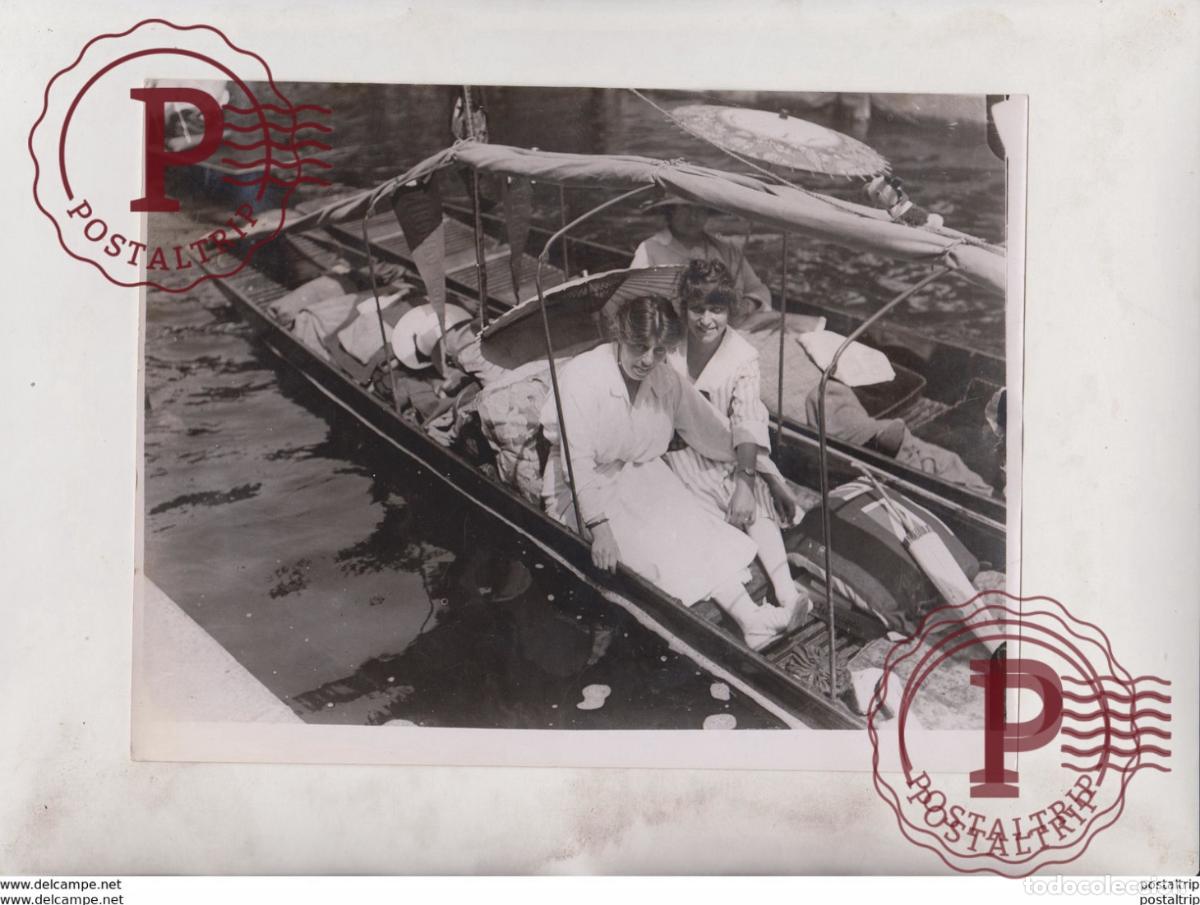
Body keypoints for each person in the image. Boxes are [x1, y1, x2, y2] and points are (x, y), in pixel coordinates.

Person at [540, 295, 804, 650]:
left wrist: (767, 472)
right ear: (620, 334)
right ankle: (750, 620)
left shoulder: (666, 380)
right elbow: (578, 460)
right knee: (655, 548)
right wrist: (598, 527)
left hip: (640, 475)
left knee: (694, 529)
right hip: (581, 488)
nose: (648, 360)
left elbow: (715, 432)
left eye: (661, 350)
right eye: (639, 347)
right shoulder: (582, 377)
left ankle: (752, 620)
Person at [664, 260, 810, 614]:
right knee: (692, 500)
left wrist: (747, 481)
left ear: (730, 311)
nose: (706, 320)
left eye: (717, 310)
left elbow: (747, 419)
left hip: (726, 446)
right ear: (684, 309)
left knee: (752, 493)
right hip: (678, 446)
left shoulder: (742, 356)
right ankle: (743, 602)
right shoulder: (669, 347)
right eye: (697, 309)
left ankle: (787, 593)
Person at [631, 197, 771, 316]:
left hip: (727, 332)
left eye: (700, 209)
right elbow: (633, 299)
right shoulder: (650, 249)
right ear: (671, 210)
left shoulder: (727, 250)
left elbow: (758, 289)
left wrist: (747, 304)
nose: (693, 217)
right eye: (686, 208)